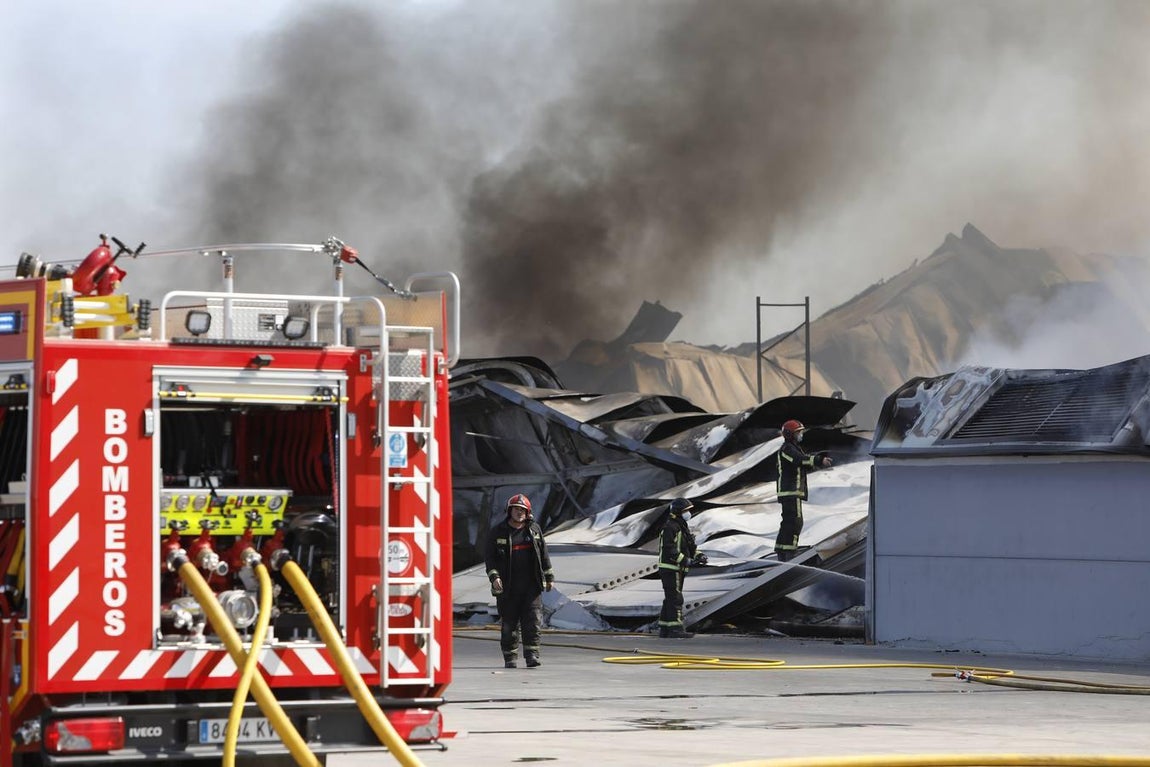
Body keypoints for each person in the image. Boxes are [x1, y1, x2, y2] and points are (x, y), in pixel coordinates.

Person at [484, 493, 554, 668]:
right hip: (508, 588)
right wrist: (495, 577)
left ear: (527, 512)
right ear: (509, 511)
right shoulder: (498, 532)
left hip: (532, 587)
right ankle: (510, 658)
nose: (519, 512)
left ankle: (532, 657)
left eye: (522, 510)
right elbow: (489, 558)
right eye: (516, 509)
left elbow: (544, 555)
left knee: (533, 623)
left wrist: (549, 577)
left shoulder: (534, 530)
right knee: (509, 625)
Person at [774, 419, 833, 562]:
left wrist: (816, 462)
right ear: (790, 434)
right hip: (790, 492)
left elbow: (804, 463)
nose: (801, 435)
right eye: (798, 432)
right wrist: (819, 460)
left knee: (789, 521)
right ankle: (788, 554)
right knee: (794, 521)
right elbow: (799, 460)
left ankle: (782, 550)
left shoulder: (792, 447)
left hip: (792, 492)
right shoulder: (787, 449)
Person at [657, 498, 706, 639]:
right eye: (686, 511)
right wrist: (685, 561)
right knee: (676, 598)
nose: (688, 513)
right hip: (670, 568)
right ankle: (676, 629)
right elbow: (668, 549)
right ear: (678, 512)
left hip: (677, 568)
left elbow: (689, 547)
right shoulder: (670, 527)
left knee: (670, 598)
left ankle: (665, 627)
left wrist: (699, 556)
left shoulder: (681, 527)